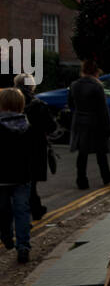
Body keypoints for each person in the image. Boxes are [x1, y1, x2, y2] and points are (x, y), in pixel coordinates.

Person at [68, 60, 110, 189]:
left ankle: (81, 180)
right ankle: (106, 175)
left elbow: (71, 105)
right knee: (101, 151)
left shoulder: (74, 85)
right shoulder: (97, 86)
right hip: (96, 122)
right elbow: (103, 109)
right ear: (96, 71)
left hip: (80, 122)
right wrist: (108, 127)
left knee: (82, 153)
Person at [0, 87, 35, 265]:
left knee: (3, 211)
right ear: (21, 105)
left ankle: (6, 235)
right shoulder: (27, 127)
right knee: (22, 212)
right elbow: (33, 154)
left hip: (2, 178)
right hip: (22, 177)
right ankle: (23, 246)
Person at [14, 72, 56, 220]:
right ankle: (34, 209)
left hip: (13, 146)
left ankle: (34, 208)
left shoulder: (7, 102)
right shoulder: (38, 104)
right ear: (31, 86)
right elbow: (51, 127)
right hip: (35, 146)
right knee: (30, 180)